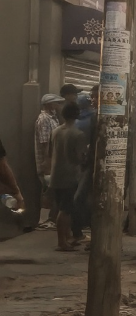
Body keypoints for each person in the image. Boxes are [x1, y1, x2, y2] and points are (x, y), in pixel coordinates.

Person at [49, 101, 88, 251]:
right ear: (77, 115)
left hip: (56, 175)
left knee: (62, 208)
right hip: (70, 175)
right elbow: (79, 157)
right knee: (65, 210)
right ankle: (62, 242)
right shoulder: (78, 134)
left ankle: (67, 238)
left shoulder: (56, 131)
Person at [29, 92, 63, 231]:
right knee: (47, 191)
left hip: (53, 161)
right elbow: (45, 143)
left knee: (52, 190)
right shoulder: (44, 119)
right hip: (47, 162)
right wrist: (47, 163)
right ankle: (43, 220)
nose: (58, 105)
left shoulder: (52, 118)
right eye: (56, 103)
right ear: (49, 104)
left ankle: (50, 218)